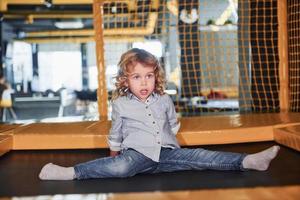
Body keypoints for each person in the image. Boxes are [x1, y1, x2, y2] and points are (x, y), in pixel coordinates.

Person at [39, 48, 280, 180]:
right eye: (136, 77)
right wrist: (114, 154)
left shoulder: (164, 99)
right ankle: (71, 172)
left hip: (165, 155)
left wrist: (169, 141)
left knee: (199, 157)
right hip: (137, 154)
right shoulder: (122, 104)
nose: (144, 82)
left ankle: (248, 161)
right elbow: (116, 133)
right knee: (121, 169)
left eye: (149, 76)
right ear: (125, 81)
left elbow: (172, 125)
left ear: (156, 77)